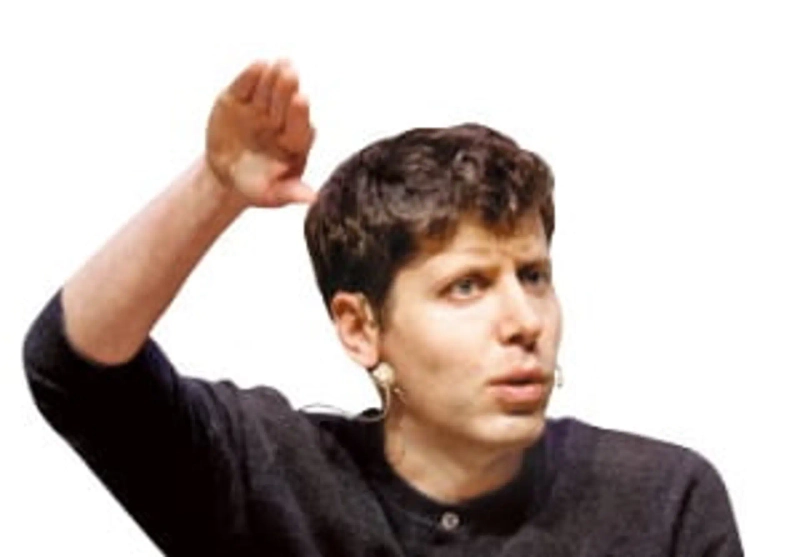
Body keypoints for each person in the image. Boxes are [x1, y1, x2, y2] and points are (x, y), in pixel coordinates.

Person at [22, 59, 743, 557]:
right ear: (360, 327)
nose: (524, 322)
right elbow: (73, 368)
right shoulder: (274, 478)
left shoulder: (661, 500)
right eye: (466, 286)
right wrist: (216, 189)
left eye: (533, 276)